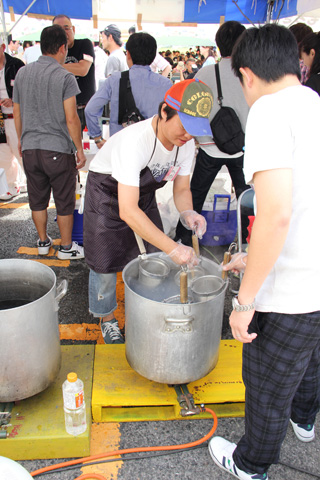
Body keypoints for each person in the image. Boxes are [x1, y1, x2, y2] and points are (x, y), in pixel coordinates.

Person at [208, 24, 320, 480]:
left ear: (247, 74)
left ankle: (251, 463)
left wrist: (245, 301)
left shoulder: (270, 112)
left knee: (267, 380)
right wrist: (249, 257)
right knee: (310, 361)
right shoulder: (312, 102)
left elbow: (274, 215)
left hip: (291, 286)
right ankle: (305, 421)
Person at [84, 79, 213, 344]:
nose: (188, 136)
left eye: (194, 130)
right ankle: (106, 318)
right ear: (165, 111)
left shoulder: (186, 145)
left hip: (140, 195)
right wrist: (174, 248)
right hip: (107, 194)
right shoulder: (135, 141)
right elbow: (127, 211)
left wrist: (188, 212)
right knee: (104, 262)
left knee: (152, 256)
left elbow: (181, 189)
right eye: (185, 127)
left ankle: (145, 310)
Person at [13, 25, 86, 259]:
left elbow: (17, 112)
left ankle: (43, 242)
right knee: (64, 200)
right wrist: (79, 149)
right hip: (57, 149)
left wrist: (22, 140)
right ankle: (66, 248)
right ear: (63, 48)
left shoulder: (23, 73)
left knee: (37, 199)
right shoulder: (64, 76)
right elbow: (72, 118)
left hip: (30, 147)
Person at [175, 21, 249, 246]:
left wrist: (199, 138)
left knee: (195, 194)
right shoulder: (249, 74)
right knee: (247, 198)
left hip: (210, 147)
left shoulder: (205, 73)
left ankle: (183, 237)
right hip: (241, 149)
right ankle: (247, 240)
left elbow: (190, 110)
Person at [85, 32, 172, 146]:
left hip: (121, 147)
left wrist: (97, 138)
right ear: (153, 56)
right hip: (153, 148)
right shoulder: (166, 84)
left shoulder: (115, 80)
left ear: (128, 54)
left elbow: (90, 110)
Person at [53, 14, 95, 131]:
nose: (63, 32)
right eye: (58, 29)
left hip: (85, 109)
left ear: (74, 29)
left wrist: (55, 66)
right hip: (62, 111)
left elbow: (83, 69)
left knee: (88, 147)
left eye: (67, 28)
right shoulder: (52, 52)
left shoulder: (85, 44)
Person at [0, 41, 26, 200]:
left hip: (16, 117)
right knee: (3, 155)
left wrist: (13, 100)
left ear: (3, 47)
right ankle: (11, 185)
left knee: (21, 151)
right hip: (1, 120)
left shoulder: (16, 65)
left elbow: (28, 91)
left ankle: (32, 184)